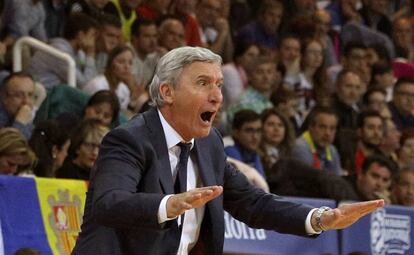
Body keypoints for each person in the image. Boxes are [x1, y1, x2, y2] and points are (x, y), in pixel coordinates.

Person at [73, 46, 384, 255]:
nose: (217, 96)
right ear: (167, 92)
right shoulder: (128, 140)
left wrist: (319, 218)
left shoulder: (210, 144)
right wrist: (170, 204)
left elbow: (251, 203)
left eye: (219, 85)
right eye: (203, 83)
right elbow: (109, 203)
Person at [0, 72, 36, 139]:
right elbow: (8, 148)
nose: (26, 101)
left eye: (30, 95)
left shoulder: (30, 123)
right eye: (18, 95)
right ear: (4, 98)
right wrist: (20, 123)